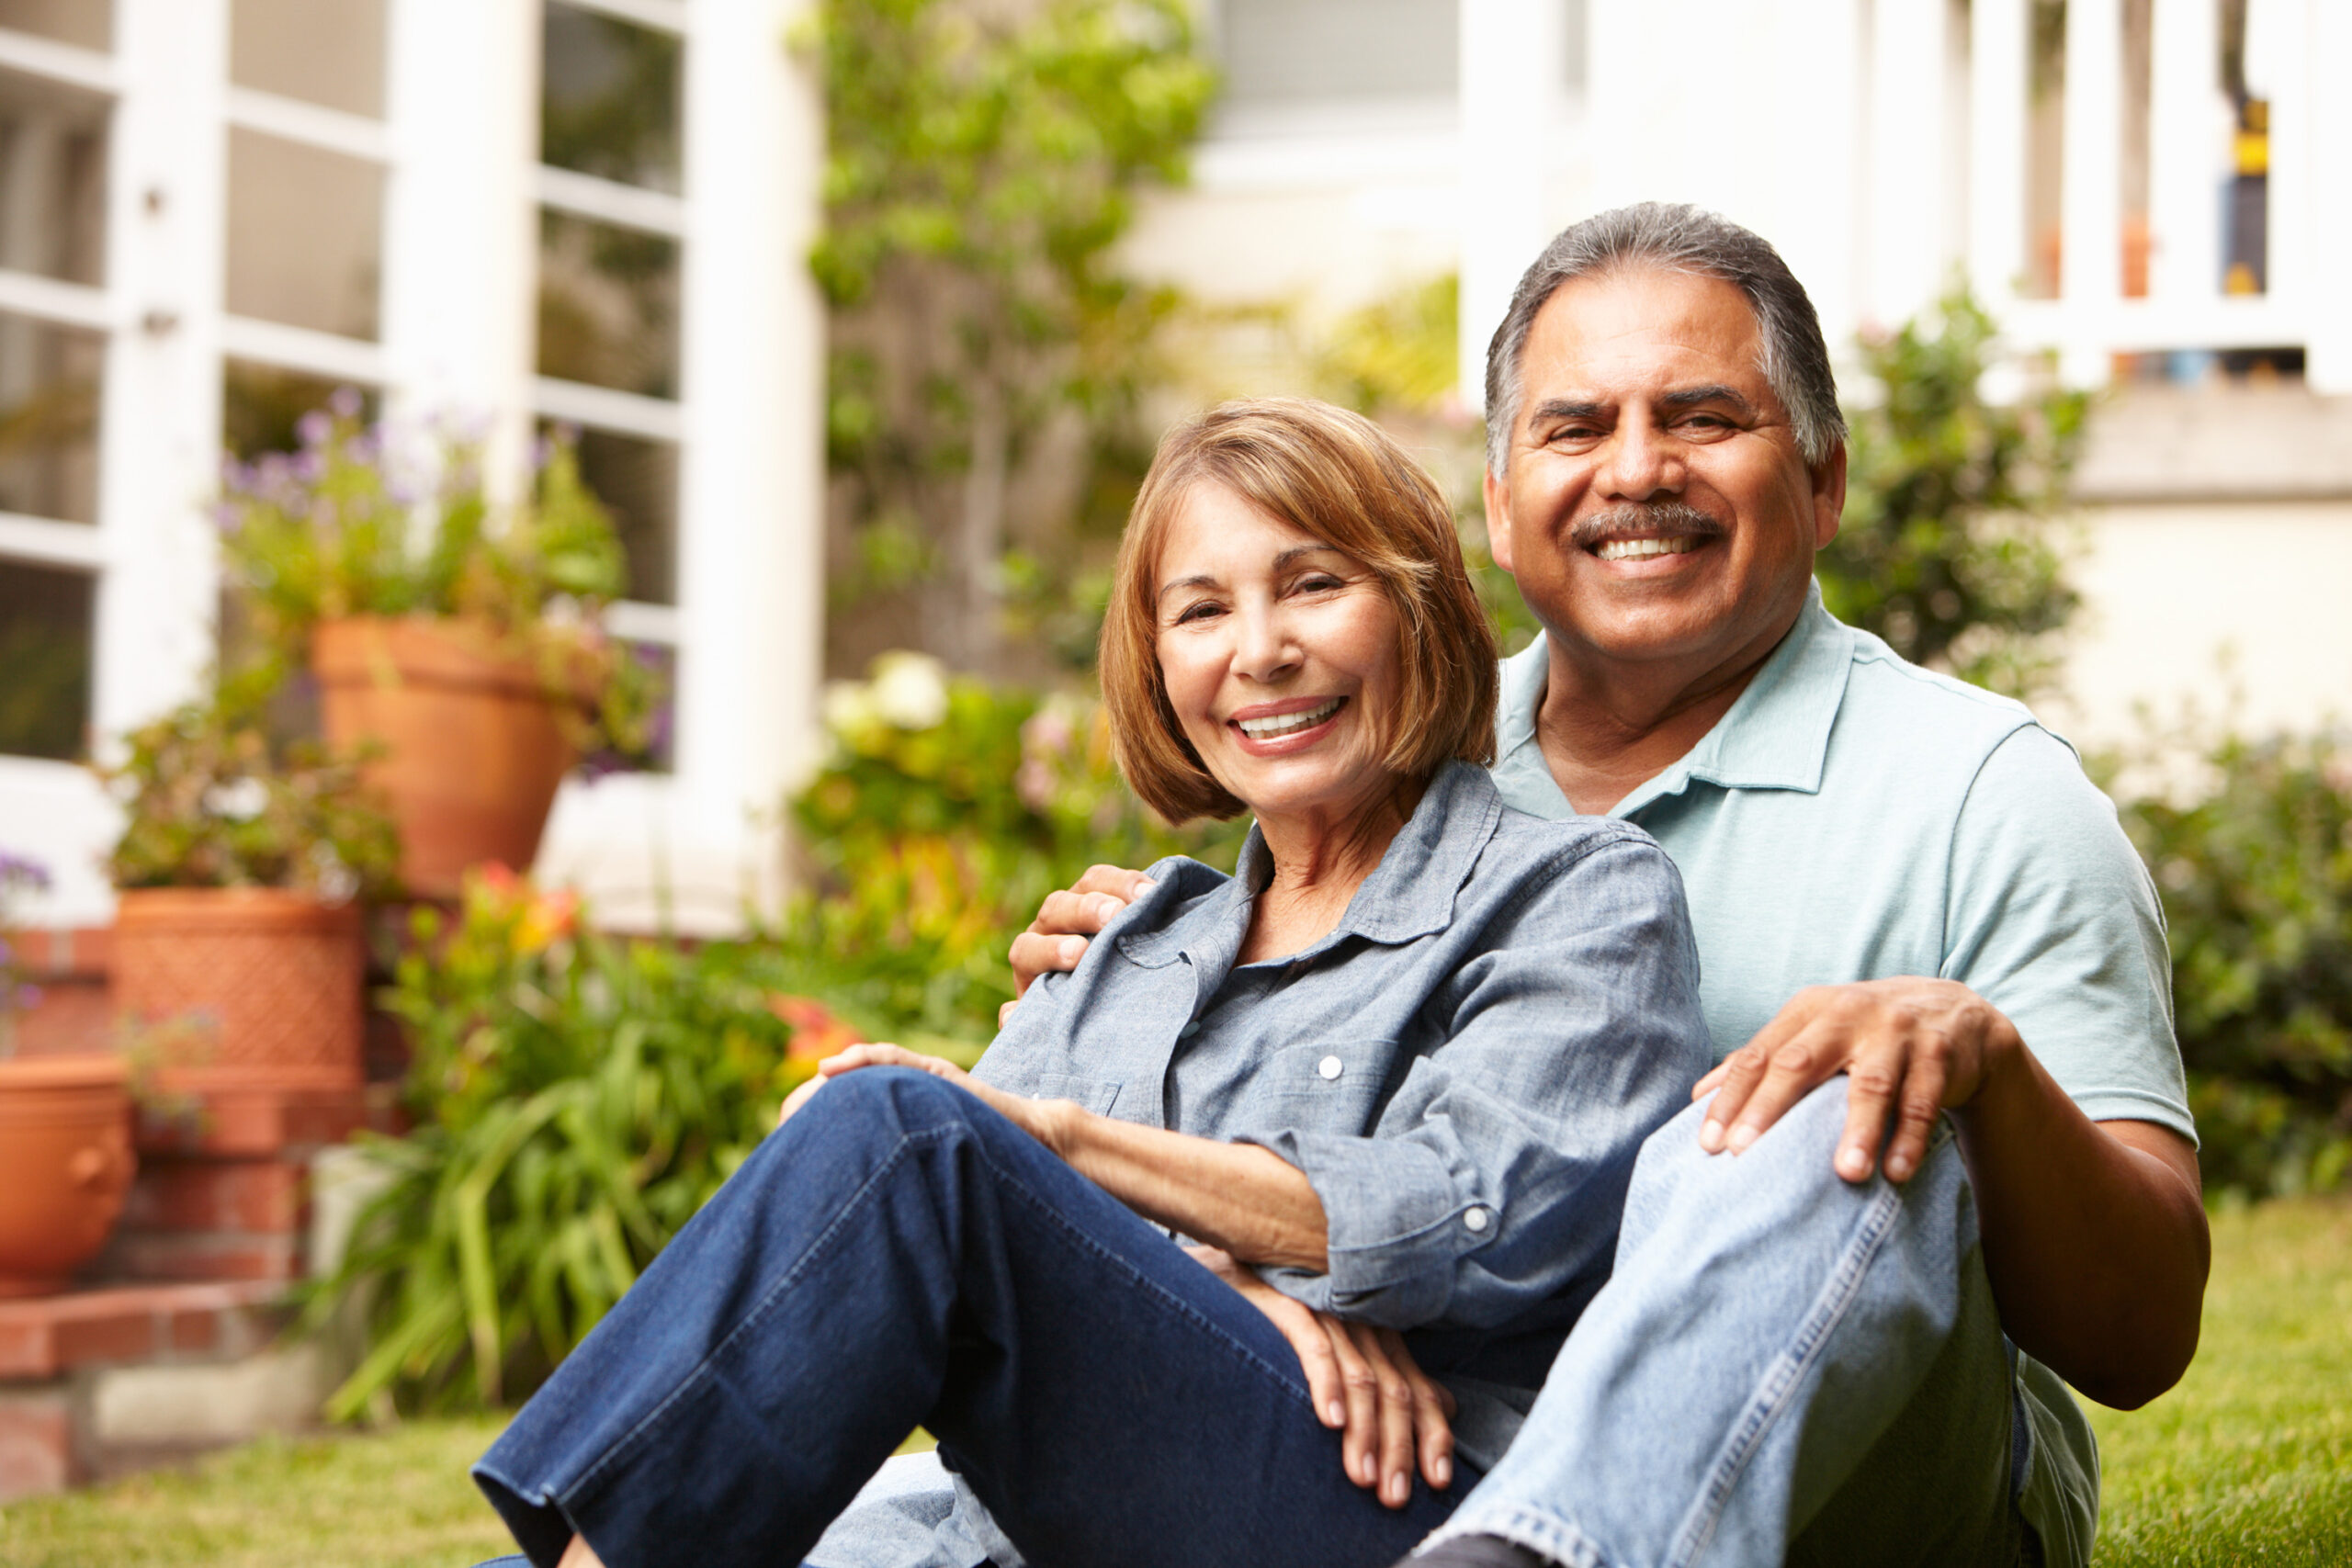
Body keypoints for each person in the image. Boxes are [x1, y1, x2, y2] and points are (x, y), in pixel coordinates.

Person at [1011, 206, 2208, 1567]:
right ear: (1503, 503)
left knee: (1818, 1089)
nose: (1637, 471)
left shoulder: (1985, 792)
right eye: (1575, 429)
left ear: (1823, 480)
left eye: (1704, 418)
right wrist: (1149, 992)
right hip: (1403, 1456)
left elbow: (2146, 1331)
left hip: (1854, 1494)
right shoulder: (1374, 751)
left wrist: (1985, 1073)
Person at [468, 398, 1714, 1568]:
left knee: (909, 1135)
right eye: (1202, 610)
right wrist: (1218, 1283)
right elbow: (911, 1227)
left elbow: (1473, 1211)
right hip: (1056, 1521)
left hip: (1395, 1495)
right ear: (1158, 659)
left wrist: (1081, 1155)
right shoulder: (1137, 938)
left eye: (1315, 586)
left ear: (1421, 611)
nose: (1262, 653)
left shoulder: (1582, 895)